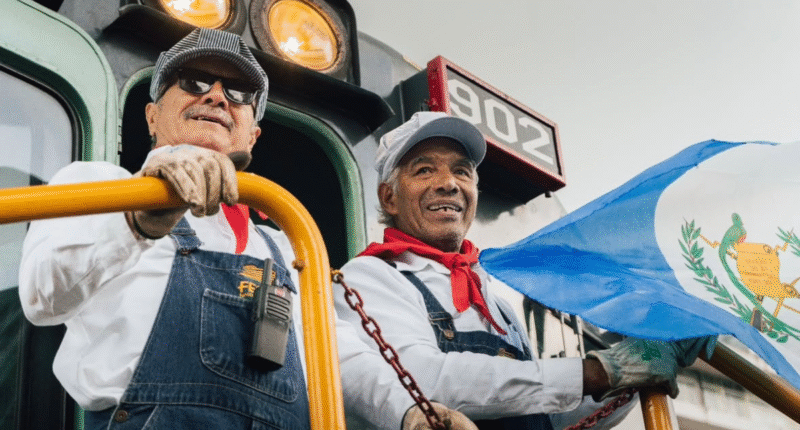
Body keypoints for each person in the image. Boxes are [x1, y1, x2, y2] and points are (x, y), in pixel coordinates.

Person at [18, 28, 475, 430]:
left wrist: (410, 410)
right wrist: (139, 220)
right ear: (152, 116)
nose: (217, 96)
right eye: (195, 81)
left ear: (251, 137)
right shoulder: (99, 186)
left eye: (238, 94)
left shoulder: (287, 241)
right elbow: (42, 295)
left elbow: (338, 354)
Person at [335, 111, 716, 429]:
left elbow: (544, 415)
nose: (448, 184)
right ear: (389, 197)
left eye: (462, 172)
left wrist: (638, 366)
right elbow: (422, 382)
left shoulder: (496, 304)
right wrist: (599, 371)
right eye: (424, 170)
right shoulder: (370, 275)